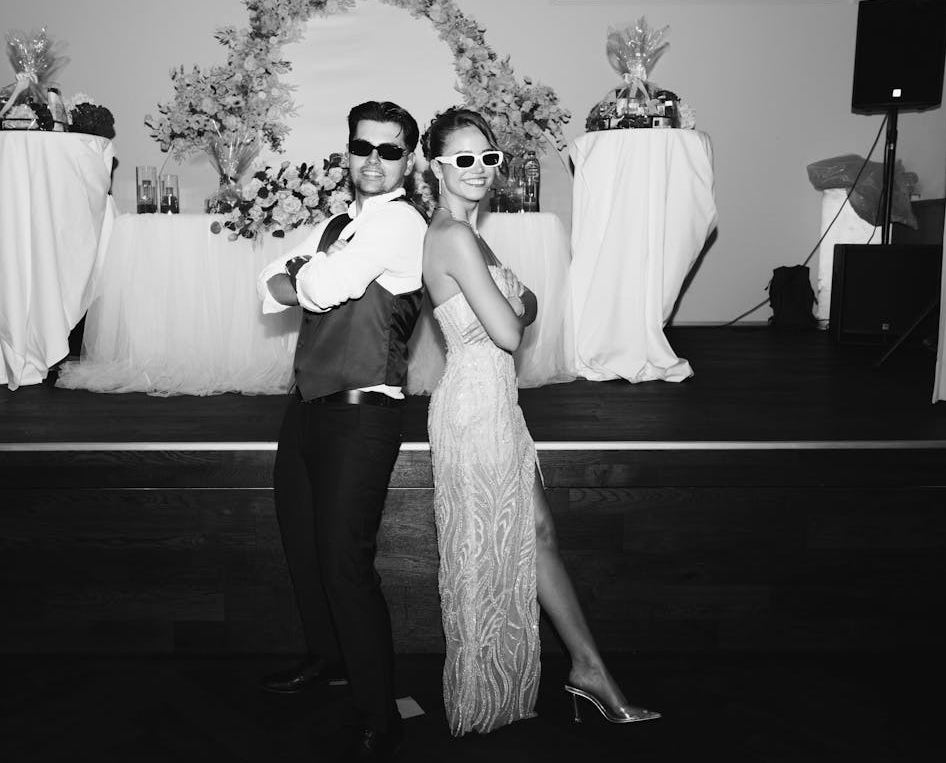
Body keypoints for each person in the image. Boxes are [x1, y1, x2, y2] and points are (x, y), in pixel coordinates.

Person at [421, 107, 660, 736]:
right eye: (462, 159)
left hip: (496, 405)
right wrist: (519, 304)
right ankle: (577, 672)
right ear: (436, 166)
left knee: (537, 534)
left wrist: (519, 304)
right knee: (498, 543)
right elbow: (508, 324)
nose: (478, 171)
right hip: (474, 409)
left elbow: (521, 305)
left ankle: (587, 668)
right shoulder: (452, 235)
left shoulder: (473, 236)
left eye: (488, 158)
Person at [256, 100, 428, 762]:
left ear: (408, 158)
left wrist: (300, 275)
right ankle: (327, 660)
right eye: (365, 147)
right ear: (349, 150)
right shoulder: (335, 222)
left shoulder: (403, 223)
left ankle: (381, 713)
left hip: (363, 414)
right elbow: (267, 285)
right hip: (306, 407)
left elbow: (322, 287)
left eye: (391, 150)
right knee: (303, 546)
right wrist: (298, 275)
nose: (375, 161)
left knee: (344, 564)